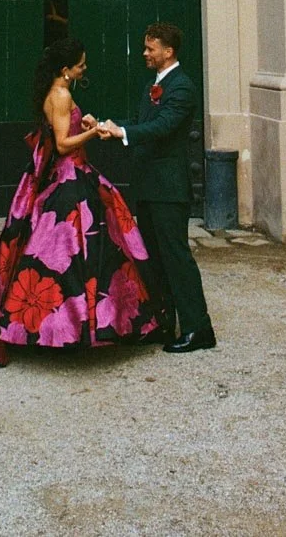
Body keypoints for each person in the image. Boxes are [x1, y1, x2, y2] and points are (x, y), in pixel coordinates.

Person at [0, 36, 160, 372]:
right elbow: (63, 145)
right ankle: (73, 327)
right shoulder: (61, 94)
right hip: (68, 179)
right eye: (81, 64)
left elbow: (63, 130)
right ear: (66, 70)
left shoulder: (58, 91)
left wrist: (86, 121)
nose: (85, 68)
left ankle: (66, 325)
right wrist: (94, 133)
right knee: (73, 253)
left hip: (70, 176)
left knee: (64, 255)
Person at [98, 23, 216, 354]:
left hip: (169, 188)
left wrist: (122, 133)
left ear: (169, 51)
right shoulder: (153, 84)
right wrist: (111, 127)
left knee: (176, 258)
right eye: (146, 47)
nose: (145, 53)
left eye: (151, 48)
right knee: (154, 259)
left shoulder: (182, 88)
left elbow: (163, 127)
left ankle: (199, 328)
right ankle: (164, 323)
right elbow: (144, 123)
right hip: (149, 186)